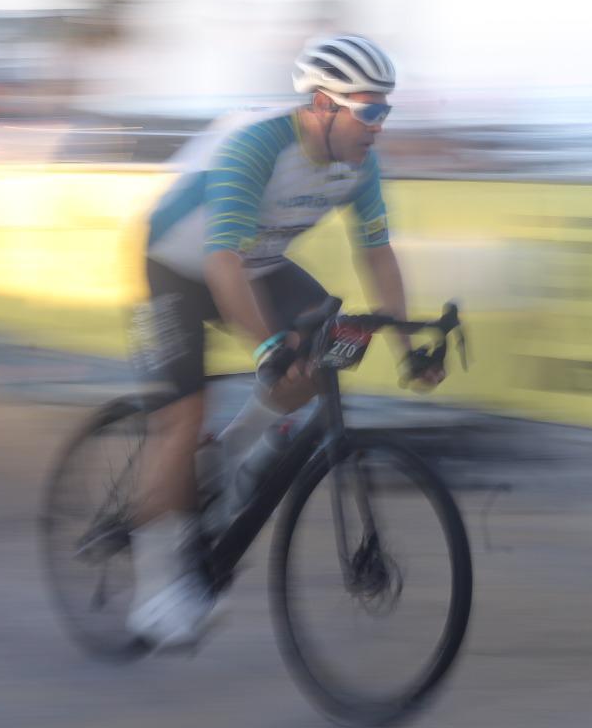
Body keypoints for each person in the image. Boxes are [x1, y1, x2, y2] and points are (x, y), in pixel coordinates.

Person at [130, 34, 443, 648]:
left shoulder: (359, 165)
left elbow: (377, 255)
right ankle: (154, 591)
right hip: (181, 265)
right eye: (369, 109)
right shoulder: (259, 146)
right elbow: (222, 264)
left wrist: (408, 346)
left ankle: (236, 455)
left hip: (260, 262)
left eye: (387, 108)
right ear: (324, 105)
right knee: (183, 417)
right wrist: (267, 347)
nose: (380, 124)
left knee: (332, 345)